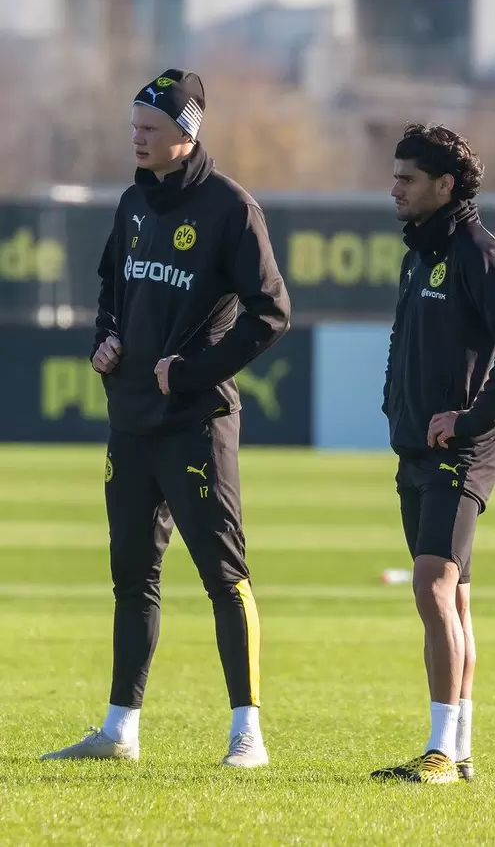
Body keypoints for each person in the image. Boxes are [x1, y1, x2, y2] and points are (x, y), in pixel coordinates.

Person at [41, 69, 291, 768]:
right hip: (131, 422)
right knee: (132, 577)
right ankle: (121, 729)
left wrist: (192, 370)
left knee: (223, 575)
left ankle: (248, 734)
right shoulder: (133, 204)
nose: (136, 140)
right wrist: (106, 339)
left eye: (150, 131)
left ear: (187, 135)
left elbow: (272, 314)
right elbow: (110, 289)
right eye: (134, 128)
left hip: (196, 424)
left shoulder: (230, 209)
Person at [371, 124, 495, 785]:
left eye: (407, 180)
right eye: (395, 177)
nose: (395, 190)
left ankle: (440, 751)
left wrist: (472, 417)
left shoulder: (474, 249)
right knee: (456, 598)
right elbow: (402, 338)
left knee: (432, 585)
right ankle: (459, 750)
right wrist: (396, 407)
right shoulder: (421, 251)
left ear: (444, 186)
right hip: (416, 449)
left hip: (460, 453)